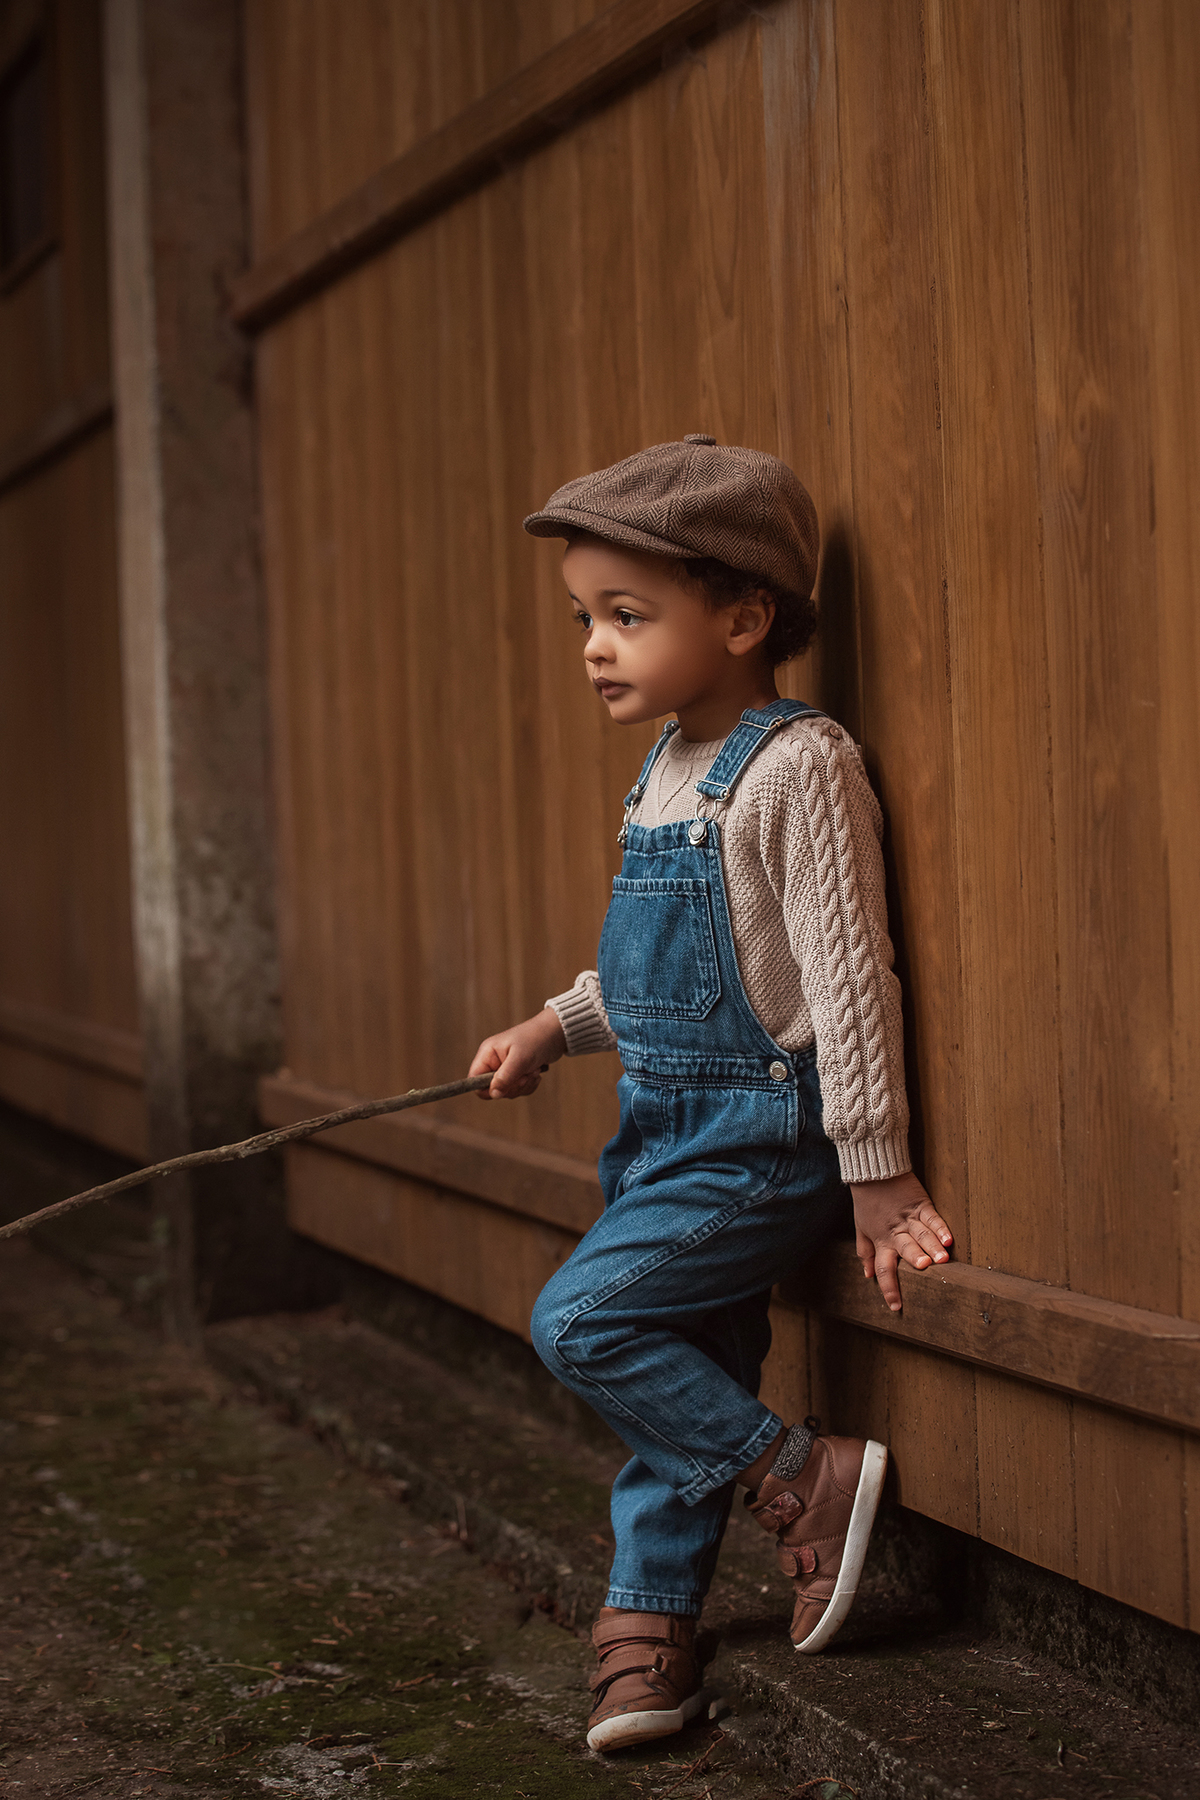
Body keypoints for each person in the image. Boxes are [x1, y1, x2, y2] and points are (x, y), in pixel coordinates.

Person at [469, 436, 952, 1755]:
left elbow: (847, 980)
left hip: (761, 1137)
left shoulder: (796, 764)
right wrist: (554, 1028)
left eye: (628, 616)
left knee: (584, 1323)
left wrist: (876, 1166)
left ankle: (803, 1476)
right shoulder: (665, 771)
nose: (593, 647)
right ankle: (656, 1628)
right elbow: (662, 975)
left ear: (742, 616)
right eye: (586, 619)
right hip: (666, 1130)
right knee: (680, 1368)